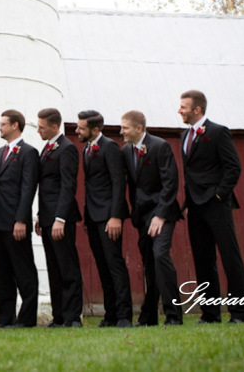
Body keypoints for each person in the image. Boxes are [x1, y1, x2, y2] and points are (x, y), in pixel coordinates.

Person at [178, 90, 244, 324]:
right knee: (202, 259)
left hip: (217, 205)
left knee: (230, 258)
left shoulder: (219, 132)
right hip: (195, 207)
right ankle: (210, 314)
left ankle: (240, 313)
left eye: (183, 107)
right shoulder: (183, 136)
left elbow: (233, 168)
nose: (179, 110)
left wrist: (219, 195)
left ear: (197, 110)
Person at [120, 110, 183, 326]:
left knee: (160, 256)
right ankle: (149, 316)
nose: (121, 132)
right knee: (149, 264)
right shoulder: (126, 150)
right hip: (142, 216)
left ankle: (174, 315)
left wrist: (160, 215)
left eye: (125, 128)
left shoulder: (160, 146)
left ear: (139, 128)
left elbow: (170, 183)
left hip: (162, 213)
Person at [76, 109, 133, 328]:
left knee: (114, 264)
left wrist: (115, 216)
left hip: (109, 217)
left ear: (95, 129)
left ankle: (124, 316)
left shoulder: (109, 147)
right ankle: (110, 315)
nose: (77, 131)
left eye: (81, 128)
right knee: (102, 266)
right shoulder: (87, 149)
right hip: (93, 217)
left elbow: (118, 182)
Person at [0, 109, 40, 328]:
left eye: (2, 124)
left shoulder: (29, 152)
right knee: (1, 273)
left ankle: (26, 319)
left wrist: (21, 220)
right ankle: (5, 319)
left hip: (16, 221)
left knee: (24, 271)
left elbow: (28, 188)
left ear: (15, 125)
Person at [35, 107, 83, 328]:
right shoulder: (47, 148)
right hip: (46, 217)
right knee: (53, 267)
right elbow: (45, 186)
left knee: (67, 266)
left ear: (55, 127)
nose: (38, 130)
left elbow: (67, 185)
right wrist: (39, 215)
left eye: (41, 127)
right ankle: (59, 316)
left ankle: (73, 317)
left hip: (60, 219)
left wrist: (60, 218)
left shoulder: (67, 149)